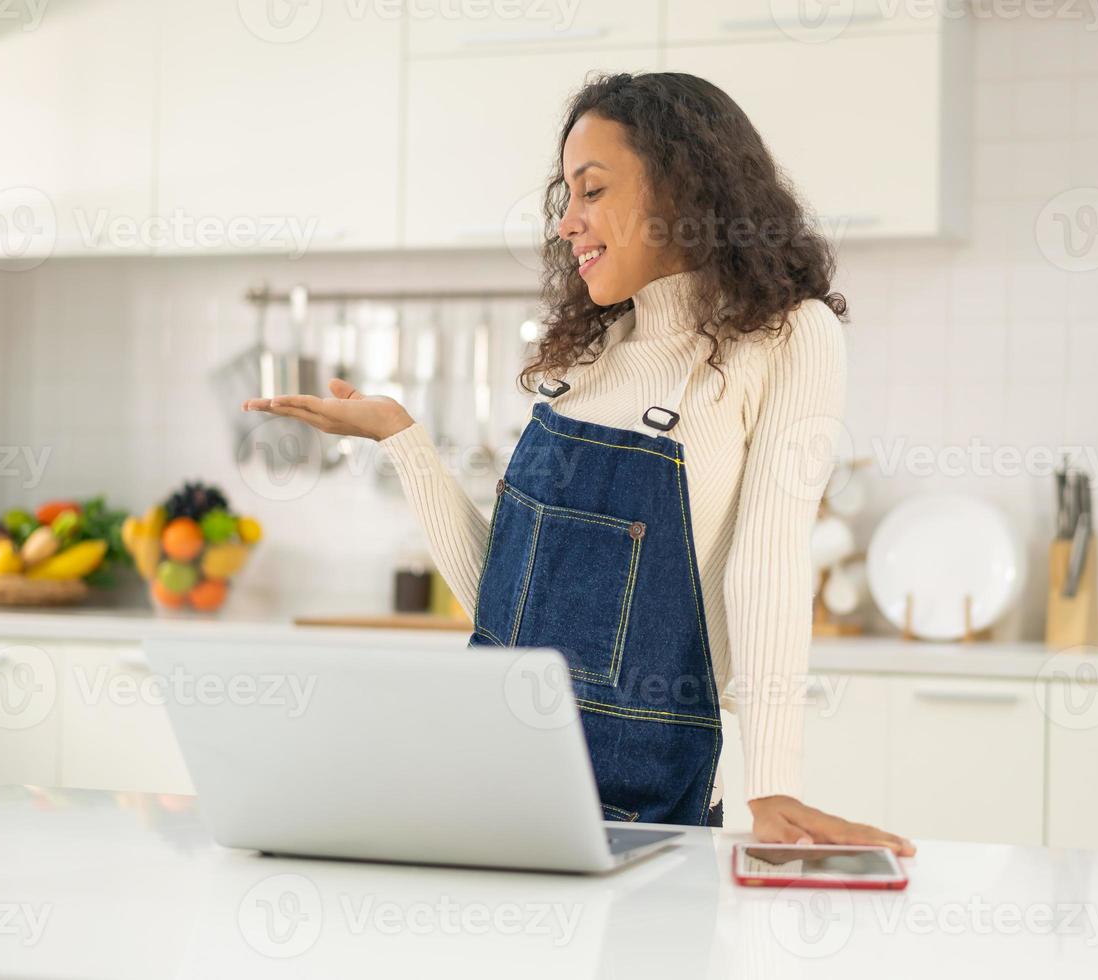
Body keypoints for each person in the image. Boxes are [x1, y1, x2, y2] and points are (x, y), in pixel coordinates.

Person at [247, 71, 914, 854]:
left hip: (642, 807)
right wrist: (401, 438)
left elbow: (765, 566)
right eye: (564, 196)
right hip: (488, 780)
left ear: (683, 189)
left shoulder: (786, 337)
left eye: (590, 191)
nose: (567, 223)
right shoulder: (591, 355)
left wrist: (772, 786)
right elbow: (506, 612)